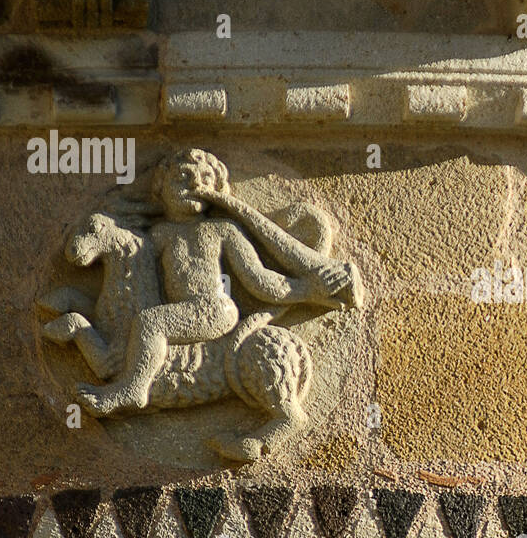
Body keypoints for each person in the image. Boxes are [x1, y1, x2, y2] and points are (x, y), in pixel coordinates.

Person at [77, 149, 355, 415]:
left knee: (151, 322)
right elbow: (138, 279)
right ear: (161, 187)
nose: (195, 183)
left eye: (206, 179)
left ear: (216, 192)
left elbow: (257, 278)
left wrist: (305, 290)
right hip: (183, 313)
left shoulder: (222, 229)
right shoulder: (159, 235)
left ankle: (134, 389)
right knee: (149, 320)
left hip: (214, 309)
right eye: (183, 176)